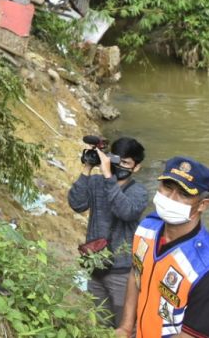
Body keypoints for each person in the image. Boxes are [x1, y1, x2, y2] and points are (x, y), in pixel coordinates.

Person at [116, 157, 209, 338]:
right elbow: (136, 274)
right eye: (167, 187)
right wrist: (126, 328)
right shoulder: (147, 228)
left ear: (203, 204)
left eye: (184, 194)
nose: (171, 199)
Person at [67, 137, 148, 328]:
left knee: (125, 326)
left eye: (126, 163)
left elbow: (126, 211)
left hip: (122, 271)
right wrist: (87, 167)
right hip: (95, 265)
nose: (119, 166)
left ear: (136, 167)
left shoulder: (139, 192)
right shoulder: (97, 182)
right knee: (101, 323)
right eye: (116, 160)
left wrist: (107, 177)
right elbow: (77, 204)